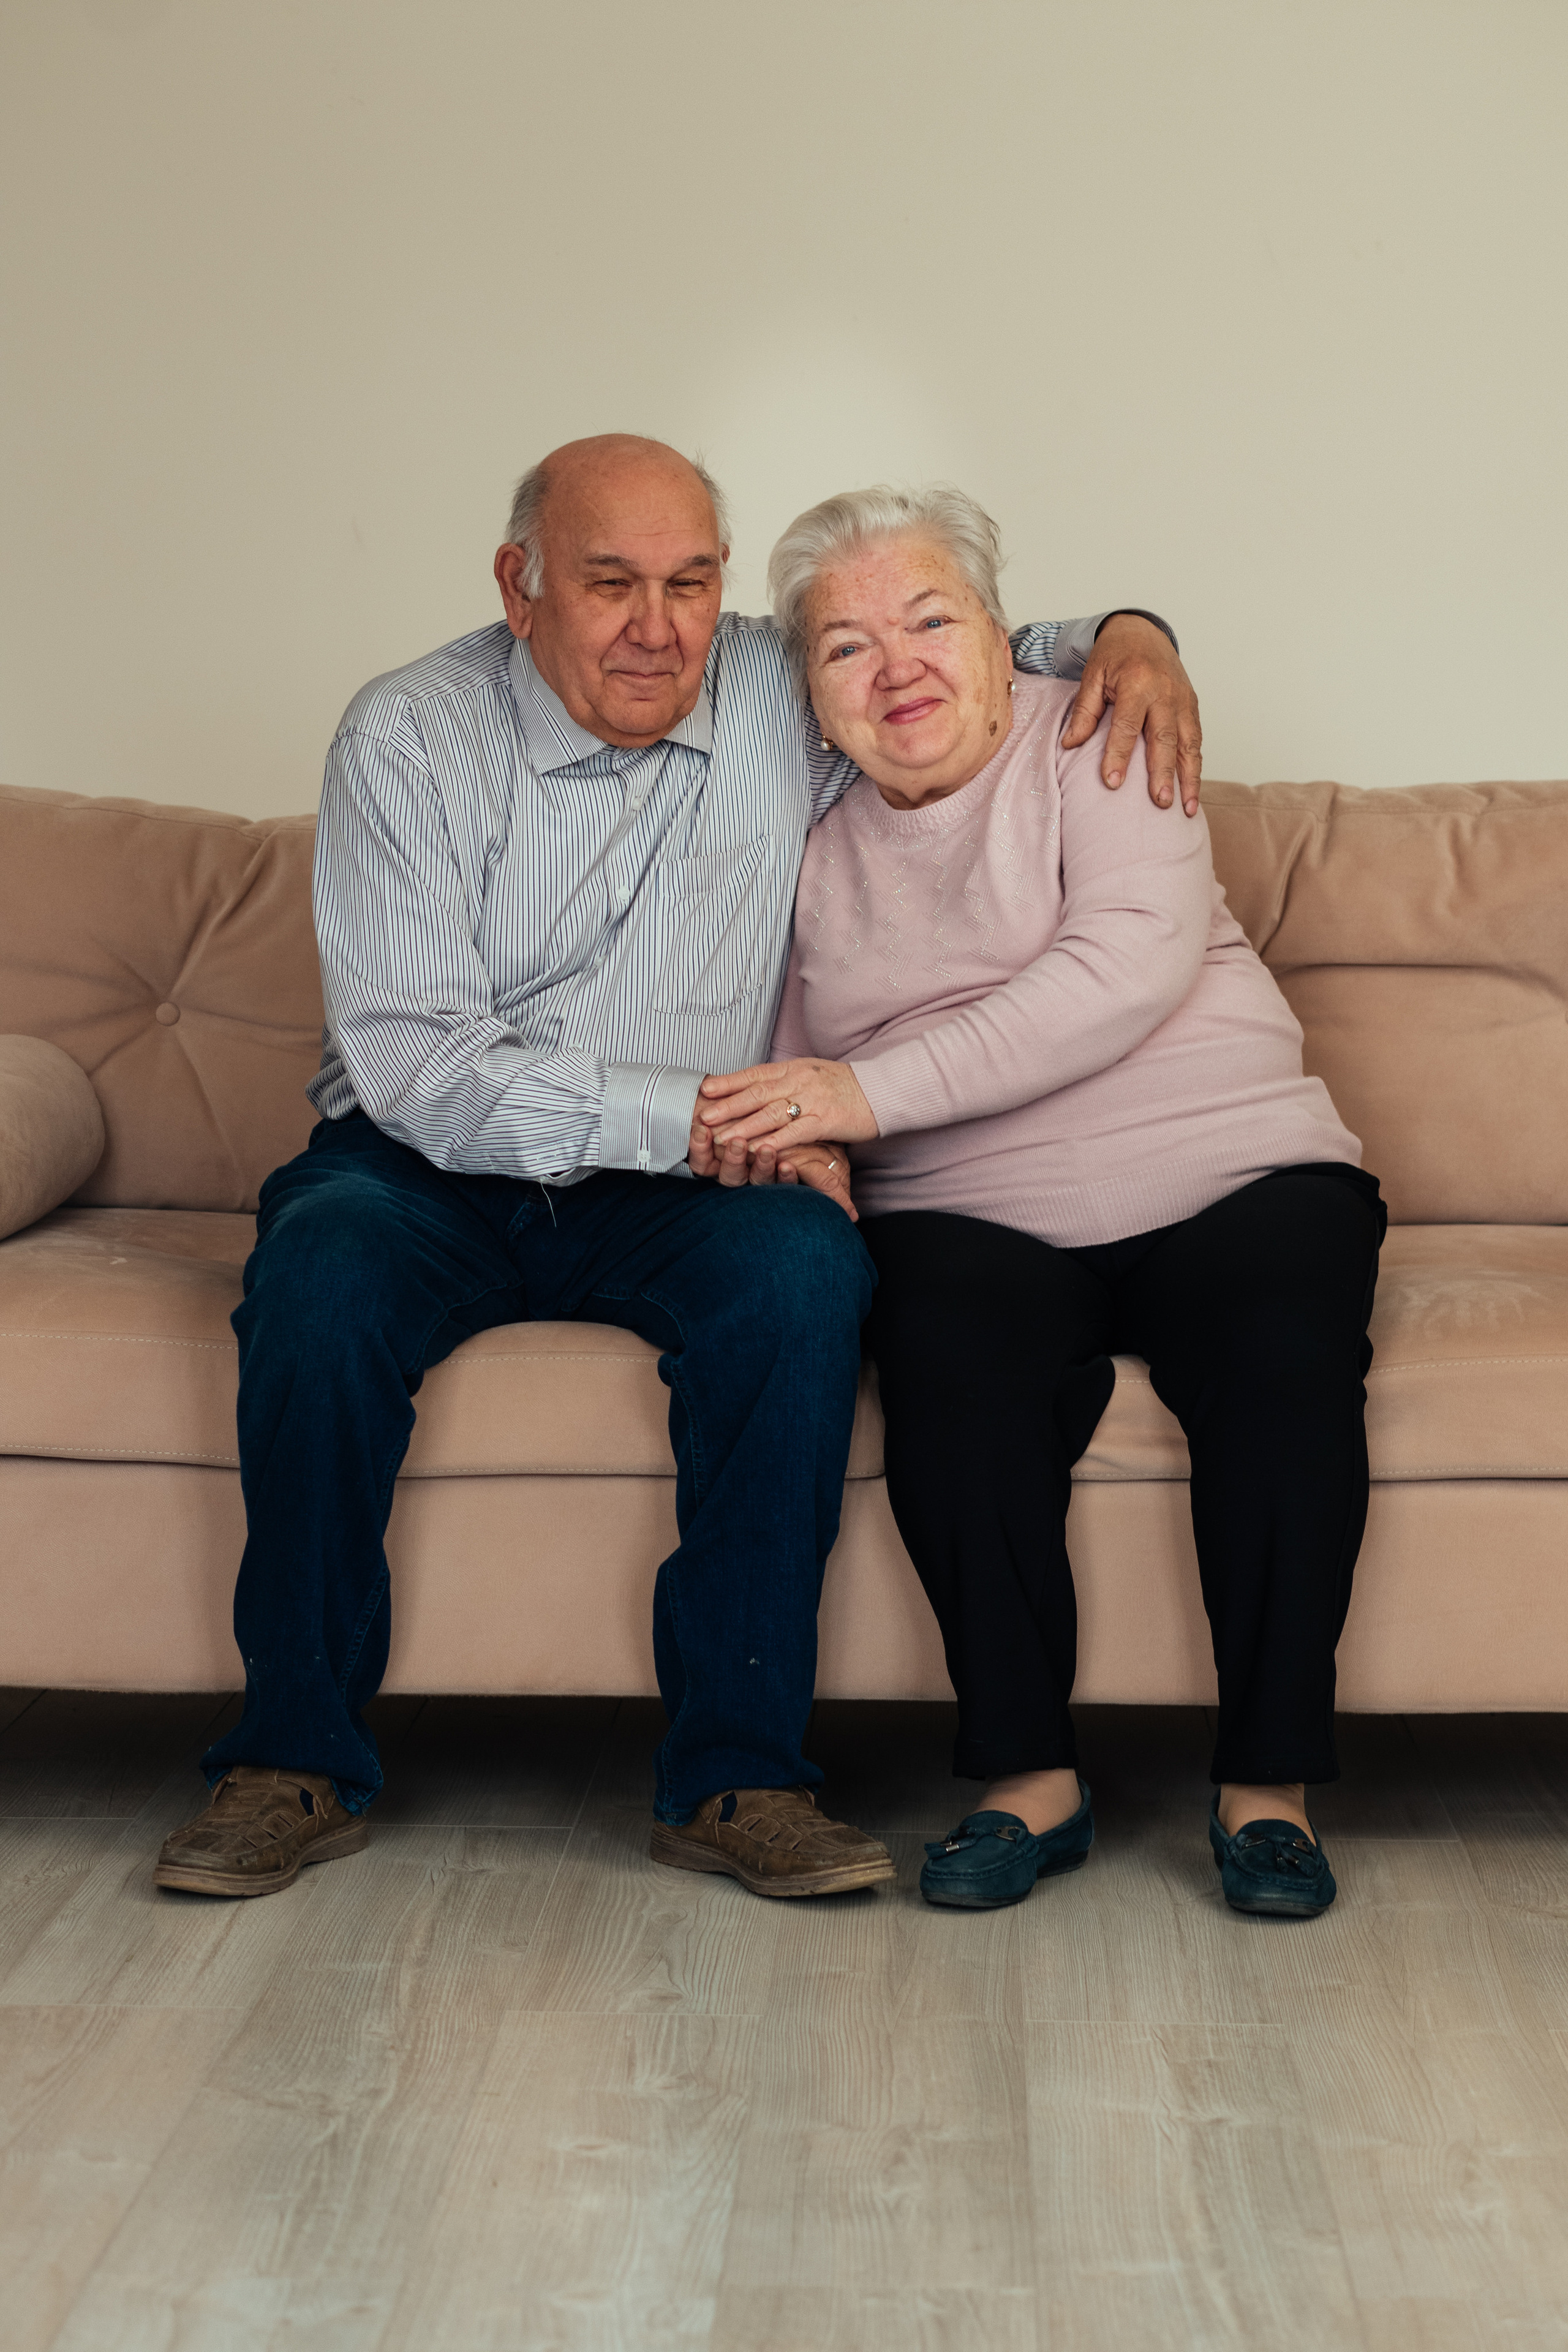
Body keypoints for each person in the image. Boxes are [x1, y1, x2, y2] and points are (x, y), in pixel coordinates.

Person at [153, 435, 1201, 1905]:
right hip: (426, 1166)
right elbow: (419, 1070)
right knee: (316, 1284)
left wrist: (1132, 637)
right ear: (519, 589)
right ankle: (289, 1760)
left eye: (691, 584)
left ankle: (737, 1776)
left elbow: (963, 630)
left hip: (685, 1188)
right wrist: (696, 1117)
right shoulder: (402, 733)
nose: (658, 628)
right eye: (610, 585)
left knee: (802, 1278)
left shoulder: (779, 681)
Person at [693, 484, 1385, 1921]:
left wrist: (858, 1098)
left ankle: (1266, 1788)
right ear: (804, 699)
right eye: (842, 648)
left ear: (1006, 639)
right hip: (968, 1204)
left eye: (930, 620)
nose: (896, 669)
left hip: (1230, 1165)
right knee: (949, 1373)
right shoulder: (793, 847)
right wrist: (800, 1137)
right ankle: (1028, 1783)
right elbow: (762, 1041)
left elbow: (1120, 971)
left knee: (1279, 1369)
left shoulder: (1098, 734)